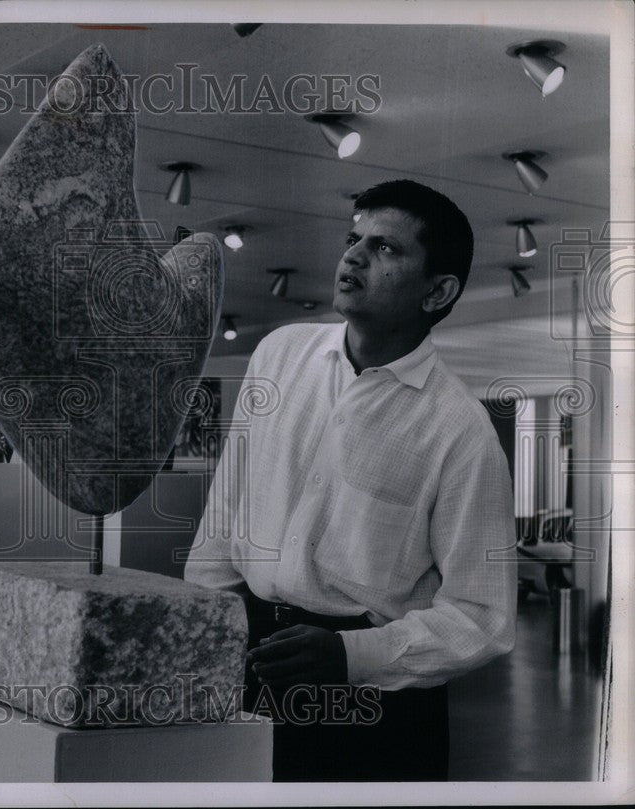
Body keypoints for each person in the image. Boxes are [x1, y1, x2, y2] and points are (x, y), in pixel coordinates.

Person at [184, 179, 517, 781]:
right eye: (353, 238)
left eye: (387, 249)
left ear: (437, 291)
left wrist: (350, 656)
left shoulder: (461, 432)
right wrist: (214, 629)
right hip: (249, 656)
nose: (354, 256)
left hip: (375, 697)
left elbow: (482, 617)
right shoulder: (279, 355)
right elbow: (224, 515)